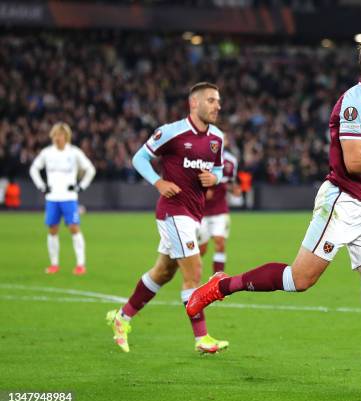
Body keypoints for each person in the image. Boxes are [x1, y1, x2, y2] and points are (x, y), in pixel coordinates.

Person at [187, 33, 361, 401]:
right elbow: (354, 161)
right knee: (298, 279)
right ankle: (221, 286)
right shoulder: (354, 102)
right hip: (341, 202)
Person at [106, 82, 229, 354]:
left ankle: (122, 318)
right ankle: (202, 338)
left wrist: (215, 177)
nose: (217, 105)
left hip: (194, 213)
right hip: (173, 212)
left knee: (163, 272)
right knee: (194, 272)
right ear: (194, 103)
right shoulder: (171, 132)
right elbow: (139, 158)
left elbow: (219, 168)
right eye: (211, 100)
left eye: (218, 101)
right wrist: (158, 183)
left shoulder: (217, 138)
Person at [29, 122, 96, 275]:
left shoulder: (74, 153)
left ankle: (80, 264)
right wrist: (41, 186)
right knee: (52, 229)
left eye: (59, 135)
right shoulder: (47, 153)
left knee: (74, 228)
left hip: (69, 198)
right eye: (54, 135)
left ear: (66, 136)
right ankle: (54, 264)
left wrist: (81, 186)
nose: (56, 138)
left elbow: (90, 169)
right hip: (52, 198)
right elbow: (34, 169)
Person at [197, 150, 239, 274]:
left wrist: (234, 189)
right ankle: (192, 274)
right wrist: (204, 192)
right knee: (202, 249)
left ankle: (217, 280)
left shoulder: (229, 162)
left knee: (220, 243)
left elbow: (230, 183)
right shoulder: (199, 159)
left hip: (220, 210)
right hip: (200, 212)